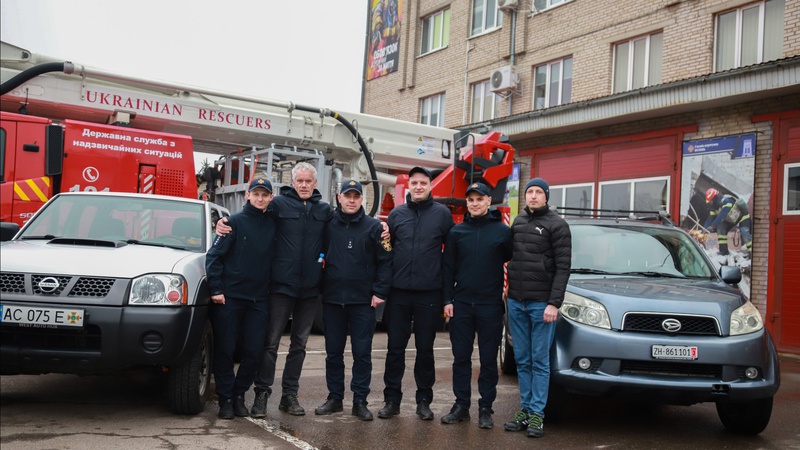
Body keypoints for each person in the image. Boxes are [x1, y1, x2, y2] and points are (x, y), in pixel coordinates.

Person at [216, 162, 332, 417]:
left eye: (308, 181)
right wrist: (224, 224)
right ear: (293, 183)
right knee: (269, 344)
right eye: (299, 181)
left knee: (299, 345)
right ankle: (262, 393)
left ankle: (289, 396)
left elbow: (346, 225)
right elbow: (251, 218)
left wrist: (382, 226)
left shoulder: (324, 210)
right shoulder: (278, 205)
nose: (303, 185)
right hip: (280, 287)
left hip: (310, 290)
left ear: (315, 184)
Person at [378, 166, 455, 421]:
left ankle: (424, 401)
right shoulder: (396, 215)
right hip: (399, 295)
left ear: (430, 185)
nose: (419, 186)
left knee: (425, 350)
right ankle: (392, 401)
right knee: (394, 350)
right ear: (408, 185)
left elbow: (450, 258)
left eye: (423, 182)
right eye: (415, 183)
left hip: (429, 295)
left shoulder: (442, 215)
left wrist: (447, 297)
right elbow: (387, 254)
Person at [313, 180, 393, 421]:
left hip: (362, 303)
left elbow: (386, 261)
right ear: (339, 197)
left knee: (362, 354)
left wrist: (379, 292)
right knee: (333, 353)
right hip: (333, 300)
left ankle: (360, 401)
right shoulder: (327, 225)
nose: (351, 200)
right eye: (347, 195)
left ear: (361, 199)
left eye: (355, 196)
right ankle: (335, 398)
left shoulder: (375, 228)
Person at [440, 182, 513, 429]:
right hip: (461, 305)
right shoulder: (457, 232)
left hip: (490, 306)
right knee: (461, 358)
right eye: (470, 199)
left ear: (488, 201)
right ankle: (461, 406)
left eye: (479, 199)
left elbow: (509, 261)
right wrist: (447, 300)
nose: (474, 203)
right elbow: (448, 269)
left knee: (488, 360)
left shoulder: (502, 232)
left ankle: (485, 408)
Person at [504, 177, 572, 438]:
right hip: (516, 302)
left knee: (539, 360)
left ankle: (537, 415)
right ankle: (525, 408)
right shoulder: (518, 222)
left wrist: (554, 303)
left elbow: (563, 267)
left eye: (538, 192)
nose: (533, 196)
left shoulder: (558, 225)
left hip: (542, 305)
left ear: (546, 196)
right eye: (529, 192)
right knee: (522, 359)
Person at [205, 177, 276, 420]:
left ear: (270, 198)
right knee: (225, 349)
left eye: (264, 194)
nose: (260, 198)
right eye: (256, 193)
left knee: (254, 351)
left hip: (258, 300)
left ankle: (238, 395)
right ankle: (225, 399)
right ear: (248, 195)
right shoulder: (231, 223)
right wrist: (216, 289)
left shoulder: (273, 223)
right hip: (229, 299)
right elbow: (214, 257)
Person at [703, 188, 752, 259]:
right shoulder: (714, 207)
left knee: (744, 232)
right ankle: (723, 251)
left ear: (715, 198)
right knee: (720, 228)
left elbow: (723, 214)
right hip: (731, 219)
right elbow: (710, 218)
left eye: (710, 201)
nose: (710, 203)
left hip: (742, 217)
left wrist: (713, 225)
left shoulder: (727, 201)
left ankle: (752, 252)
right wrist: (705, 228)